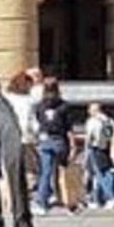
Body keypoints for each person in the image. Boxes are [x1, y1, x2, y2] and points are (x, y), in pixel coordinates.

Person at [31, 78, 71, 214]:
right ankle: (64, 197)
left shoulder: (39, 106)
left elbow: (37, 121)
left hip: (45, 139)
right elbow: (68, 126)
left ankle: (42, 200)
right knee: (61, 171)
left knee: (45, 171)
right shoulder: (64, 106)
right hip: (59, 139)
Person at [83, 103, 114, 208]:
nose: (89, 112)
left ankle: (109, 197)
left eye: (90, 110)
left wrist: (86, 150)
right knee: (107, 172)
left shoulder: (92, 121)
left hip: (95, 148)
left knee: (98, 174)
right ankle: (101, 198)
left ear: (94, 110)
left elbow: (89, 137)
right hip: (106, 148)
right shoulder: (108, 120)